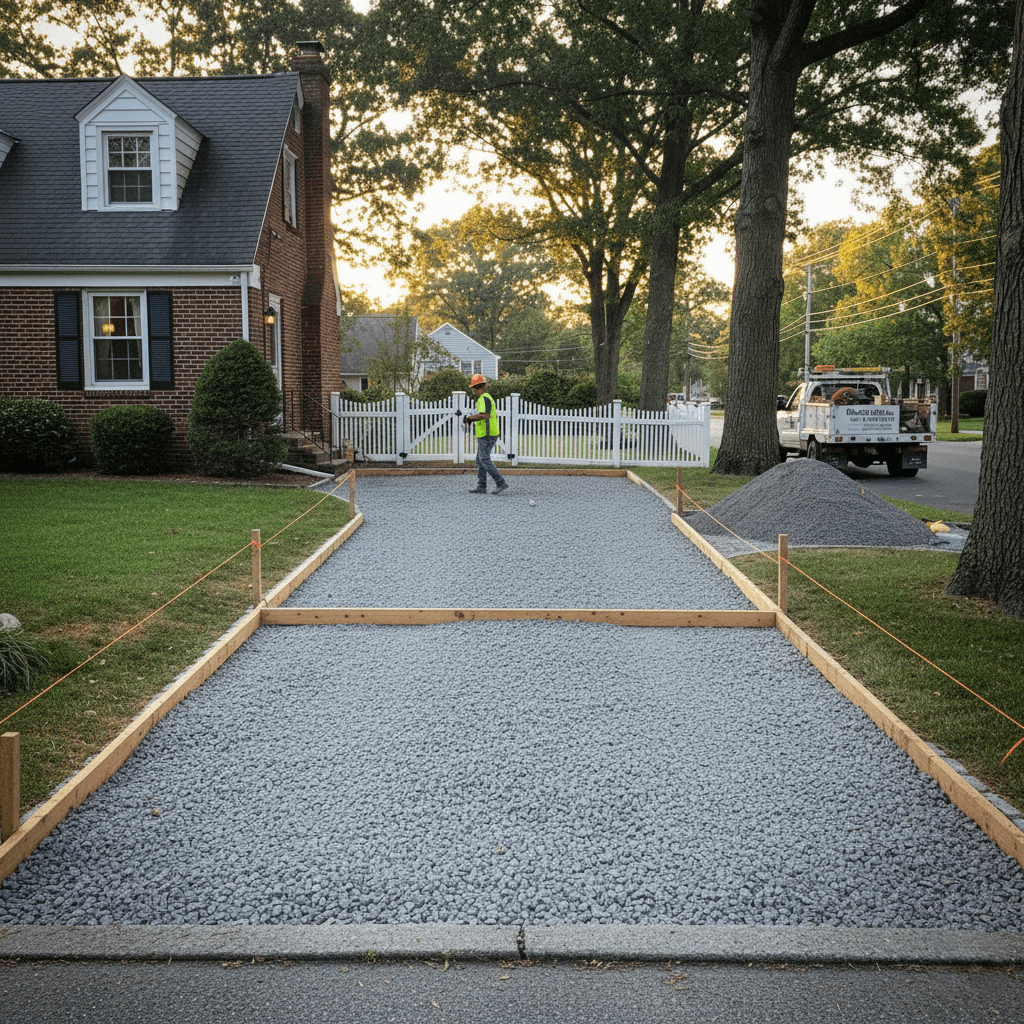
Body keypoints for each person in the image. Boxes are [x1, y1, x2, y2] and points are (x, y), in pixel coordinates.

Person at [463, 374, 509, 494]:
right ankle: (481, 486)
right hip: (486, 433)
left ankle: (500, 482)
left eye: (474, 388)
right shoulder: (484, 398)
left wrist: (469, 418)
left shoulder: (484, 398)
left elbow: (485, 415)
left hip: (488, 434)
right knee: (480, 459)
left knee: (484, 458)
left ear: (478, 387)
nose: (473, 391)